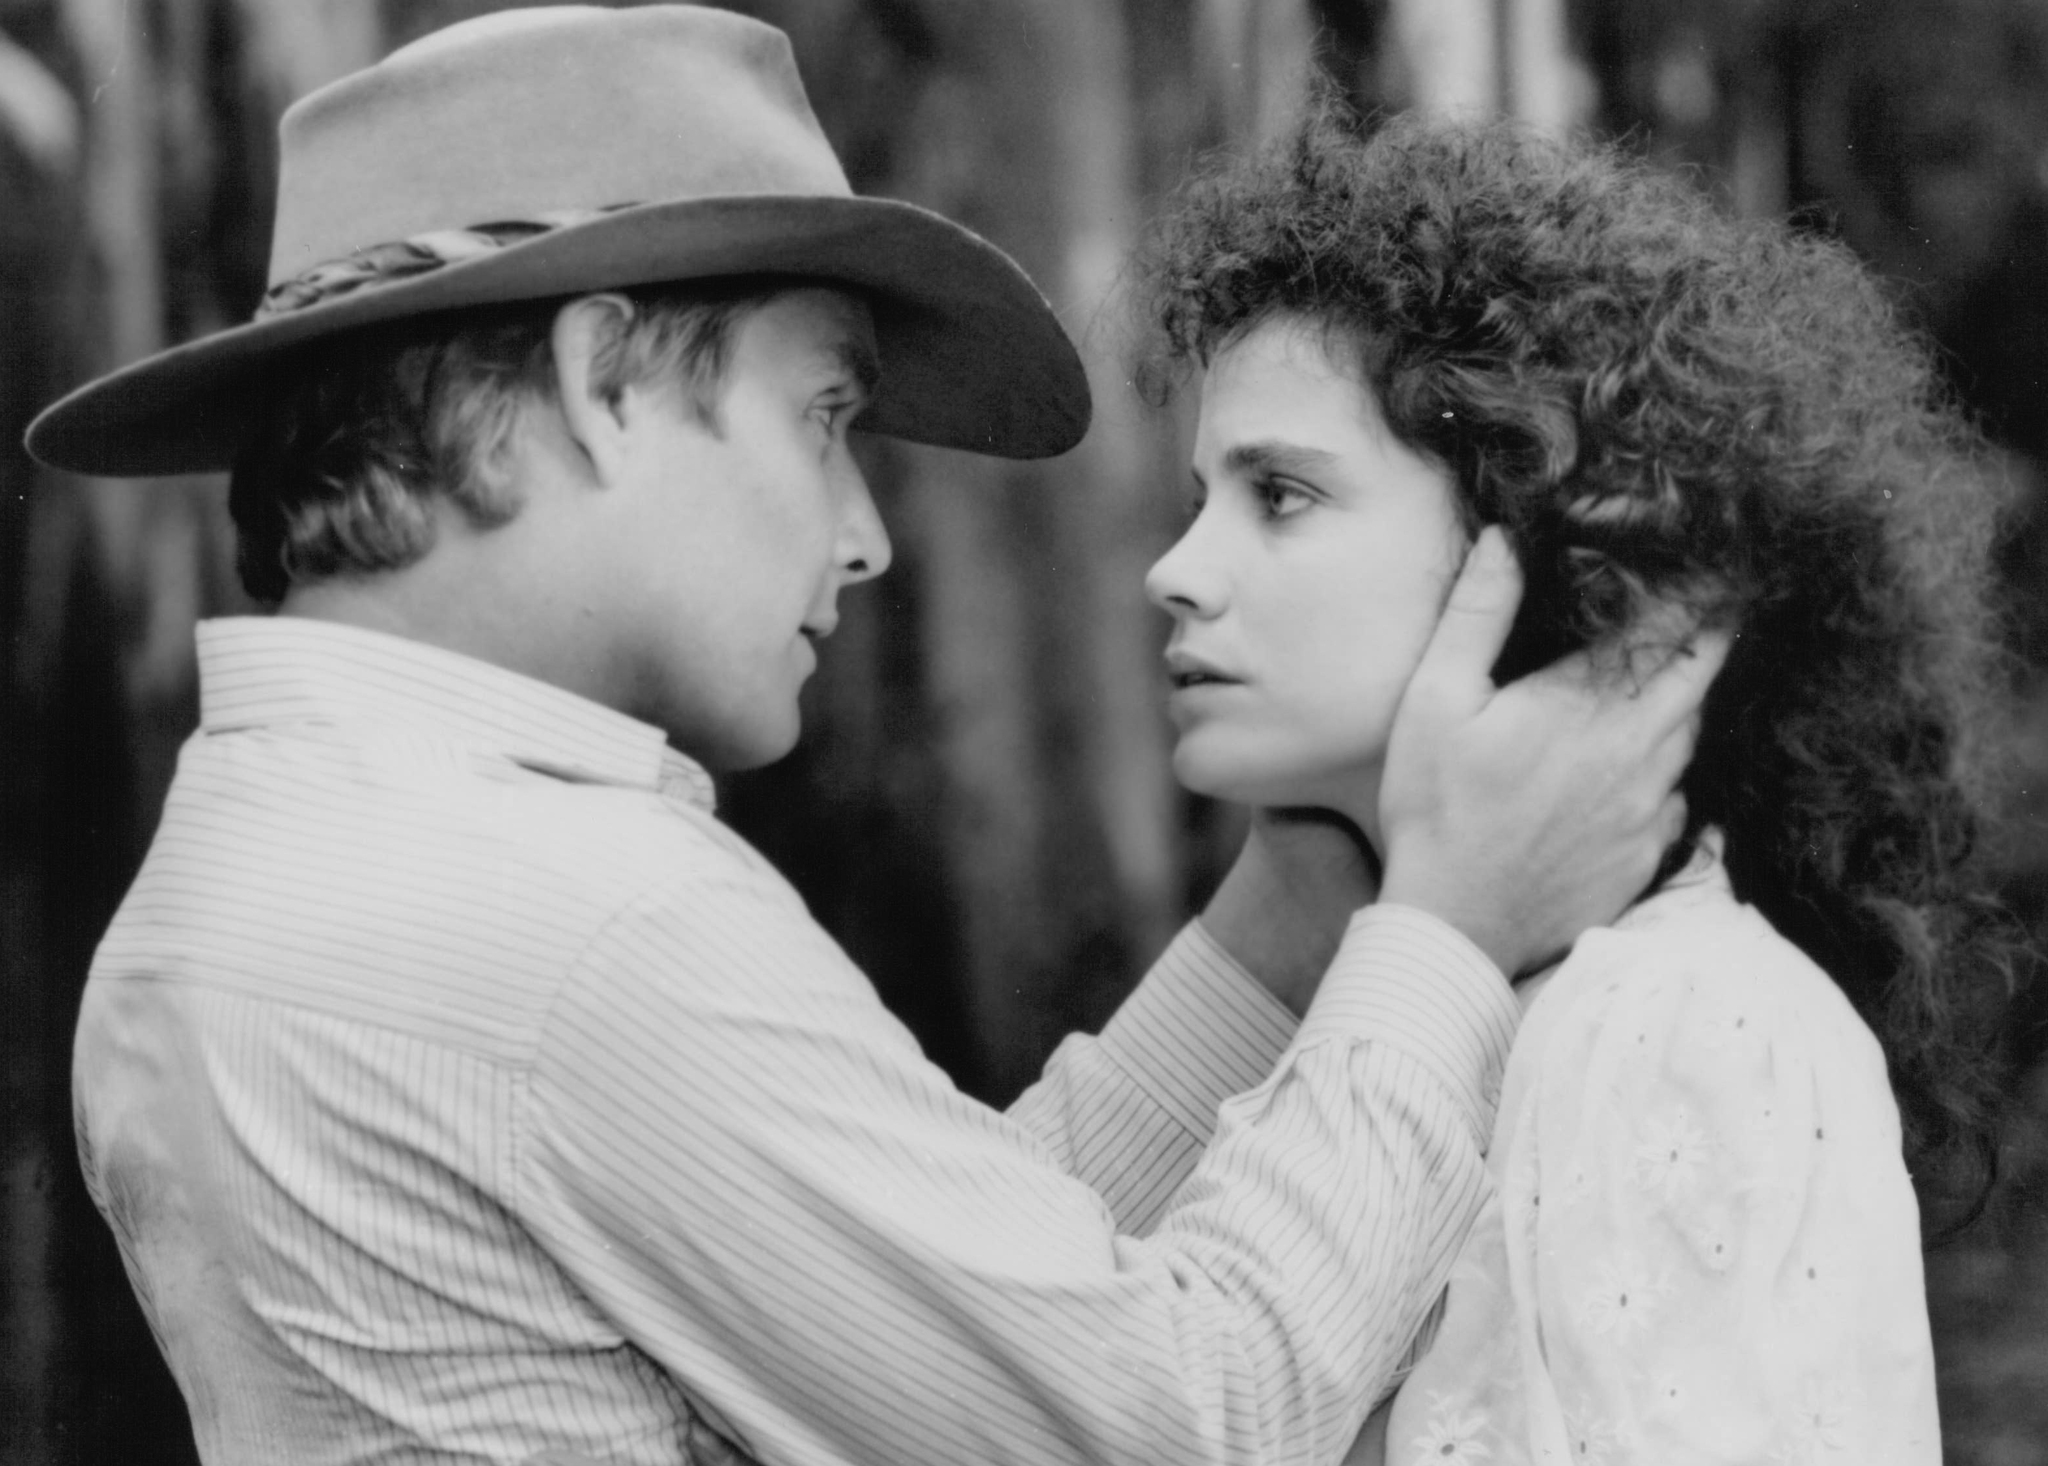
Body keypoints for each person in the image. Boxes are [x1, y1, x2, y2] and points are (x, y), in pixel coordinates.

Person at [27, 11, 1720, 1466]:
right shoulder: (573, 927)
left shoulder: (268, 852)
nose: (866, 534)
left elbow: (914, 1301)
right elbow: (1181, 1421)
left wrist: (1278, 934)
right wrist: (1440, 933)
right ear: (604, 376)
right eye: (825, 415)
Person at [1135, 99, 2031, 1466]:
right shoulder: (1378, 990)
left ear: (1536, 532)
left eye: (1282, 494)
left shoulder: (1682, 1018)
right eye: (1200, 495)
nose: (1177, 569)